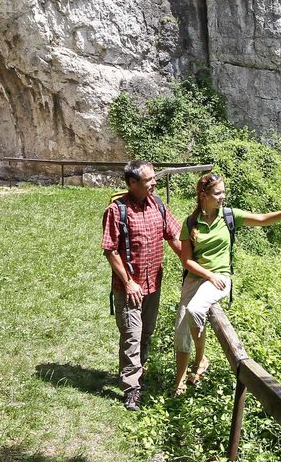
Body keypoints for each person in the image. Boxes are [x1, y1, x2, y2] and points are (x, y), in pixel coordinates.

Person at [172, 172, 281, 395]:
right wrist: (207, 274)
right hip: (198, 277)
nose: (222, 197)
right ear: (203, 195)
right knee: (181, 330)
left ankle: (200, 360)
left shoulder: (229, 216)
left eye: (224, 192)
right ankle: (178, 381)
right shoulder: (190, 222)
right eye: (218, 193)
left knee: (196, 310)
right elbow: (186, 260)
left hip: (220, 278)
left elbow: (263, 219)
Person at [102, 160, 182, 411]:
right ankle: (131, 388)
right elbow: (110, 250)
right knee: (131, 337)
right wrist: (128, 283)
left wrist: (191, 265)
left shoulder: (158, 205)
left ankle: (138, 372)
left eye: (154, 178)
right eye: (149, 180)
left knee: (146, 333)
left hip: (154, 284)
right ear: (132, 183)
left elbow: (175, 237)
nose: (154, 183)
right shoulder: (117, 211)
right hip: (131, 289)